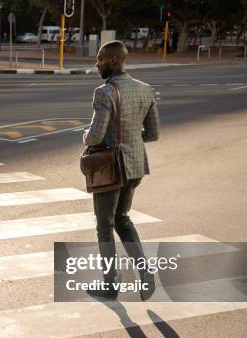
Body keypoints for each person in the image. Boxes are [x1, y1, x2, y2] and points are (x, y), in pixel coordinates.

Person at [82, 40, 160, 301]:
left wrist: (85, 136)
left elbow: (94, 137)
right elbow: (152, 134)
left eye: (100, 59)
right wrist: (129, 137)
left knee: (104, 225)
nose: (97, 64)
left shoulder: (104, 92)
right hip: (135, 166)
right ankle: (145, 273)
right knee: (122, 219)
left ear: (113, 61)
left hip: (111, 168)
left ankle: (109, 284)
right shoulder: (146, 89)